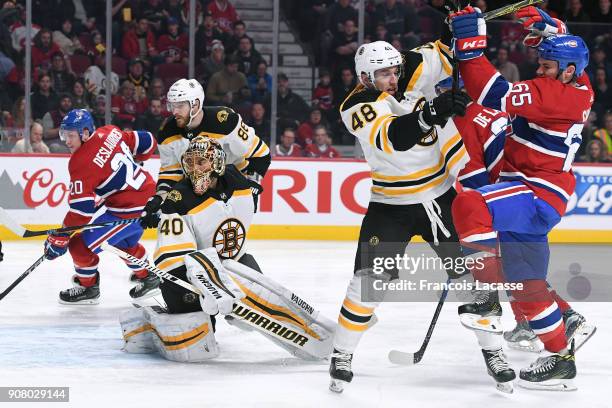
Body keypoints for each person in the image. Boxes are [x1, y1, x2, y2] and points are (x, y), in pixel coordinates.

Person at [449, 5, 594, 391]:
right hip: (530, 199)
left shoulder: (553, 93)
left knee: (468, 205)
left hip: (533, 194)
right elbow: (571, 52)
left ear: (567, 71)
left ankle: (486, 295)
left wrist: (469, 47)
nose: (539, 70)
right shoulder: (579, 86)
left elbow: (492, 92)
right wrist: (554, 29)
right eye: (542, 63)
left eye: (547, 65)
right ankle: (561, 357)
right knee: (527, 289)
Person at [328, 40, 471, 393]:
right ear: (365, 77)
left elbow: (456, 54)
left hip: (440, 197)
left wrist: (461, 27)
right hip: (390, 205)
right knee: (368, 282)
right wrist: (430, 113)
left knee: (473, 277)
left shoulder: (412, 65)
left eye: (395, 71)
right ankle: (341, 354)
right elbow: (395, 138)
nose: (392, 78)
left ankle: (493, 352)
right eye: (382, 74)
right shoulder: (356, 105)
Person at [120, 137, 334, 362]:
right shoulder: (178, 200)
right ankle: (155, 321)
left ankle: (305, 331)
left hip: (233, 263)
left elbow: (256, 161)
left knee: (259, 304)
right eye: (190, 163)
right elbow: (172, 261)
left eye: (201, 162)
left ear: (218, 164)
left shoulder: (238, 182)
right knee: (195, 349)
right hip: (188, 274)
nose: (194, 169)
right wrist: (210, 286)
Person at [42, 109, 160, 304]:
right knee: (124, 244)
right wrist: (139, 160)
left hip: (128, 211)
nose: (67, 141)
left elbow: (82, 211)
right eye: (64, 135)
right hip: (150, 200)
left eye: (71, 135)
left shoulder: (80, 162)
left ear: (86, 133)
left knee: (79, 246)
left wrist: (61, 236)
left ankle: (88, 289)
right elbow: (148, 141)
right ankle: (148, 276)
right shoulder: (111, 131)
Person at [141, 79, 271, 228]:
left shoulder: (225, 122)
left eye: (180, 105)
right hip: (199, 184)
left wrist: (252, 185)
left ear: (195, 104)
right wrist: (159, 200)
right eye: (172, 105)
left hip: (233, 183)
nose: (174, 111)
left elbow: (261, 154)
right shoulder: (167, 131)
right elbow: (171, 174)